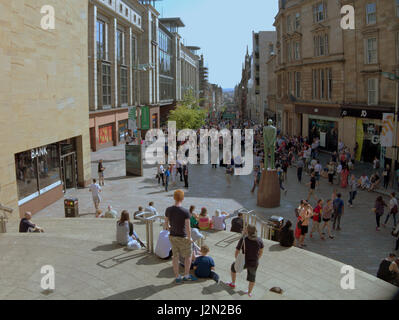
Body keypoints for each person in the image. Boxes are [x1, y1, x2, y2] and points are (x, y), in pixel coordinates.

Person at [164, 190, 197, 283]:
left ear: (174, 197)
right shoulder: (185, 211)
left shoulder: (168, 209)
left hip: (172, 236)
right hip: (183, 237)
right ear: (182, 198)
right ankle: (186, 275)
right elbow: (188, 227)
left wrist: (169, 229)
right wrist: (190, 237)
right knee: (188, 255)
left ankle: (177, 276)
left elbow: (166, 223)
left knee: (175, 256)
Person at [227, 225, 264, 297]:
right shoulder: (259, 240)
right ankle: (249, 292)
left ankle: (233, 283)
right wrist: (257, 258)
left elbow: (237, 250)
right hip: (254, 262)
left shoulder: (244, 239)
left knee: (233, 267)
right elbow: (261, 251)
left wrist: (237, 259)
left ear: (247, 231)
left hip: (244, 260)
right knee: (252, 277)